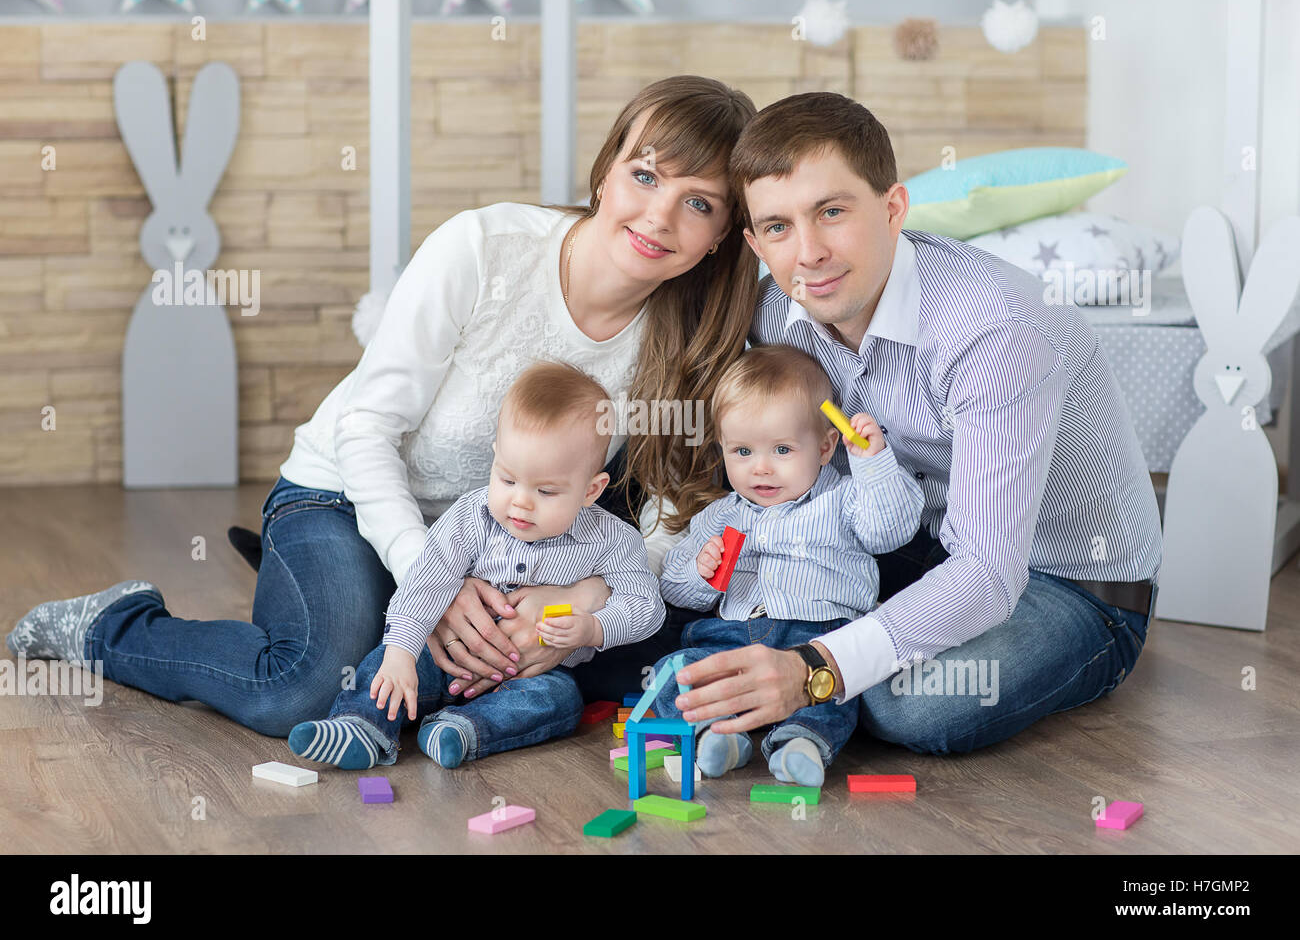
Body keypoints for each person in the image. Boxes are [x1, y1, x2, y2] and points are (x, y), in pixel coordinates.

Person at [6, 76, 758, 737]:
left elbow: (665, 512)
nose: (660, 216)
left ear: (723, 234)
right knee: (302, 689)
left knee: (486, 671)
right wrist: (430, 580)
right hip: (345, 494)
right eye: (645, 175)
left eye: (698, 203)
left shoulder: (686, 341)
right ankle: (113, 627)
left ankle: (333, 598)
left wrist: (571, 605)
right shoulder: (484, 248)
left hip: (509, 541)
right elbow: (368, 429)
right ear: (605, 171)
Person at [672, 91, 1162, 755]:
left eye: (832, 212)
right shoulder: (777, 315)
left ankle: (830, 687)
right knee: (699, 624)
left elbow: (989, 572)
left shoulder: (998, 331)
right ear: (756, 242)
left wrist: (814, 667)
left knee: (913, 708)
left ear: (894, 208)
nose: (809, 252)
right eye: (780, 228)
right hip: (914, 545)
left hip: (1070, 583)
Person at [288, 362, 664, 770]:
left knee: (559, 701)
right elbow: (425, 585)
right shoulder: (470, 518)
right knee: (384, 662)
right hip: (447, 658)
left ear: (591, 490)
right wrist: (400, 654)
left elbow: (646, 606)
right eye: (507, 479)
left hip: (529, 674)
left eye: (546, 491)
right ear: (494, 460)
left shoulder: (613, 539)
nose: (521, 501)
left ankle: (463, 730)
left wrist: (596, 627)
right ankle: (359, 724)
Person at [648, 345, 922, 786]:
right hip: (731, 637)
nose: (761, 468)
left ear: (826, 446)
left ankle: (802, 744)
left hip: (820, 638)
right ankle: (716, 735)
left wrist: (873, 464)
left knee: (833, 692)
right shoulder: (721, 515)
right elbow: (674, 588)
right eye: (741, 451)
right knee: (673, 671)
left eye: (781, 449)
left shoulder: (845, 500)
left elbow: (890, 530)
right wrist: (699, 572)